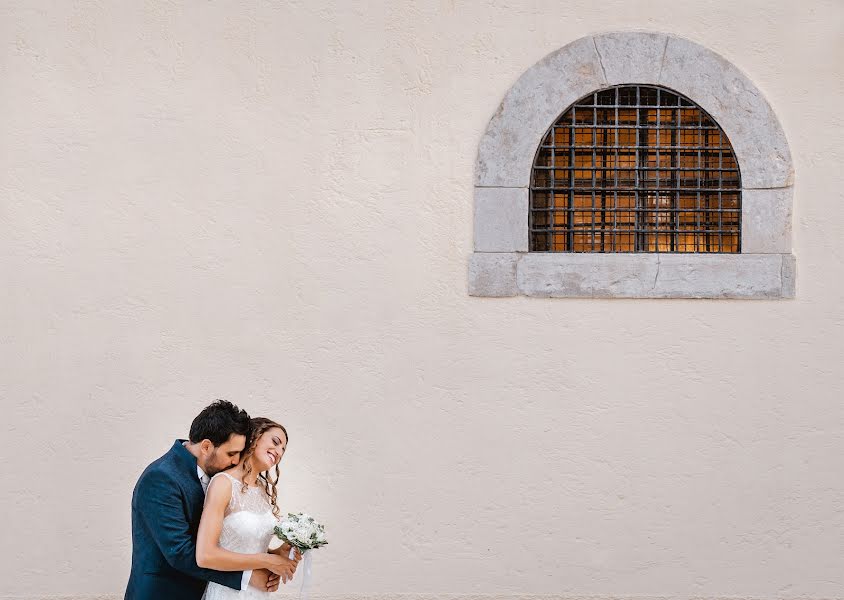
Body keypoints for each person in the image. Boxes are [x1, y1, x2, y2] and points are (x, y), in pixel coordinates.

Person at [126, 401, 299, 600]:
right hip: (165, 592)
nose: (236, 460)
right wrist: (248, 575)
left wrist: (273, 556)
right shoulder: (161, 478)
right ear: (207, 446)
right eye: (231, 453)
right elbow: (180, 553)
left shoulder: (219, 475)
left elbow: (225, 538)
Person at [198, 417, 299, 599]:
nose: (279, 452)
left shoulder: (262, 489)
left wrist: (278, 554)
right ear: (254, 437)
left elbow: (248, 546)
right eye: (275, 442)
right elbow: (206, 555)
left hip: (257, 593)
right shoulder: (223, 483)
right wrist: (268, 560)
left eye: (283, 450)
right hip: (228, 592)